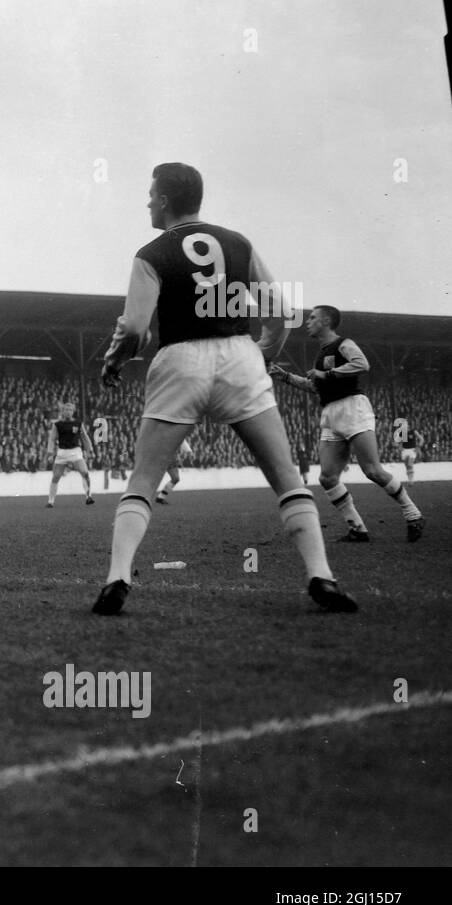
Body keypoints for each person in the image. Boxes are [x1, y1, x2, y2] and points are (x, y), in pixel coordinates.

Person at [94, 163, 355, 614]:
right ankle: (321, 576)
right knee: (286, 476)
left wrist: (115, 360)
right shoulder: (237, 243)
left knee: (144, 478)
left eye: (150, 194)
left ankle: (117, 579)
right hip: (239, 356)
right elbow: (279, 311)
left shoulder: (151, 254)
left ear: (164, 201)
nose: (147, 201)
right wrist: (263, 354)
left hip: (180, 361)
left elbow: (135, 327)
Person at [269, 306, 424, 543]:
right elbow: (315, 387)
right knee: (327, 478)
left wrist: (327, 375)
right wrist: (287, 377)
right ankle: (357, 528)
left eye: (312, 318)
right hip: (330, 413)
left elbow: (362, 364)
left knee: (372, 470)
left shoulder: (343, 343)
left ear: (326, 320)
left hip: (353, 408)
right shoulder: (321, 354)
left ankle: (413, 513)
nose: (308, 322)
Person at [45, 402, 95, 507]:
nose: (68, 412)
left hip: (75, 452)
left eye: (70, 410)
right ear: (63, 411)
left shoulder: (78, 423)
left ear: (73, 411)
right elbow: (52, 439)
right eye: (66, 410)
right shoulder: (57, 425)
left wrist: (90, 450)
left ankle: (89, 497)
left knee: (85, 473)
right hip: (62, 453)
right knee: (56, 477)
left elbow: (85, 438)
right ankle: (50, 501)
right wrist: (50, 453)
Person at [155, 438, 193, 504]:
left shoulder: (176, 430)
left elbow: (181, 438)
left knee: (175, 478)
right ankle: (142, 496)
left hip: (171, 458)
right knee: (152, 478)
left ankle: (160, 498)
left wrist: (188, 451)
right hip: (160, 456)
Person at [393, 413, 423, 484]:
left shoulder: (413, 431)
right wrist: (398, 446)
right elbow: (396, 442)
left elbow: (421, 439)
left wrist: (418, 447)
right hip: (404, 450)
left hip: (412, 450)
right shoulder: (402, 433)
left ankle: (411, 480)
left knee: (410, 463)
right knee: (407, 466)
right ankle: (410, 479)